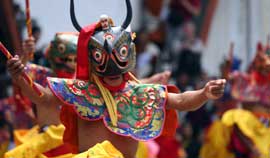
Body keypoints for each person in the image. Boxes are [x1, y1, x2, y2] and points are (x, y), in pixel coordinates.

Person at [6, 0, 226, 157]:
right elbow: (41, 97)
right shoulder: (80, 90)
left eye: (117, 54)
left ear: (127, 54)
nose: (110, 63)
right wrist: (19, 75)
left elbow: (182, 101)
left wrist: (204, 93)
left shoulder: (140, 92)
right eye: (101, 55)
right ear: (92, 57)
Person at [200, 42, 270, 158]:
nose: (265, 67)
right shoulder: (245, 80)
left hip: (266, 129)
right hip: (247, 128)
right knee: (236, 117)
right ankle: (254, 150)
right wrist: (227, 68)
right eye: (262, 63)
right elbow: (227, 77)